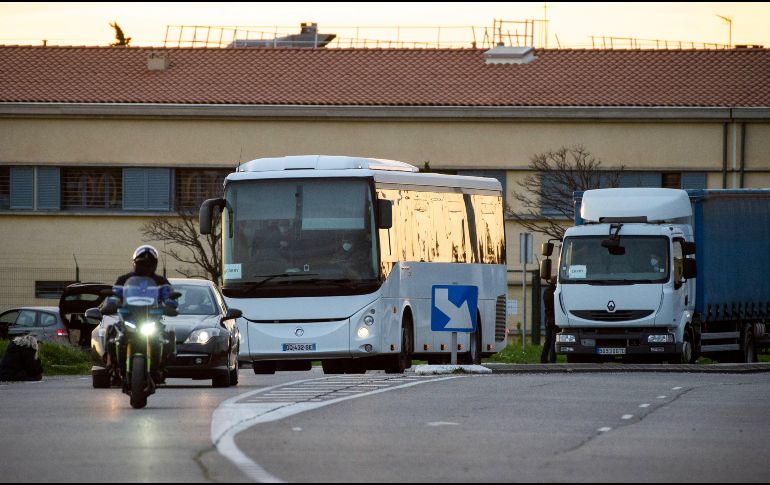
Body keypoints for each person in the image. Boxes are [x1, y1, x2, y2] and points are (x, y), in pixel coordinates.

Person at [104, 245, 176, 380]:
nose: (145, 266)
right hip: (128, 316)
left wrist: (171, 304)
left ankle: (161, 366)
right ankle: (111, 364)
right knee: (113, 334)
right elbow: (115, 295)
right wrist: (111, 304)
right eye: (142, 263)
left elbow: (168, 296)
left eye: (149, 263)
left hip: (152, 317)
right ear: (135, 263)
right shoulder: (123, 279)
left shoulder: (161, 281)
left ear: (154, 264)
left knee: (166, 339)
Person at [540, 275, 557, 364]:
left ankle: (543, 358)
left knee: (548, 340)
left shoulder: (546, 292)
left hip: (547, 318)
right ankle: (552, 359)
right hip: (555, 318)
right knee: (554, 340)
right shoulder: (555, 292)